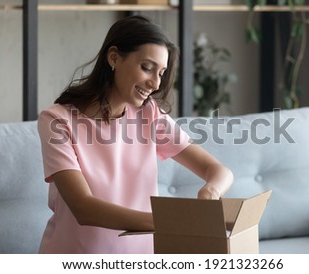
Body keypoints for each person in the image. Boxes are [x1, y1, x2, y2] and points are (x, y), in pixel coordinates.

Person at [37, 15, 233, 254]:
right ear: (114, 58)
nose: (155, 84)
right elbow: (83, 208)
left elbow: (219, 171)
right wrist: (176, 222)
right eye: (147, 68)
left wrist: (211, 191)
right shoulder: (57, 120)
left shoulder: (149, 114)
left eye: (161, 73)